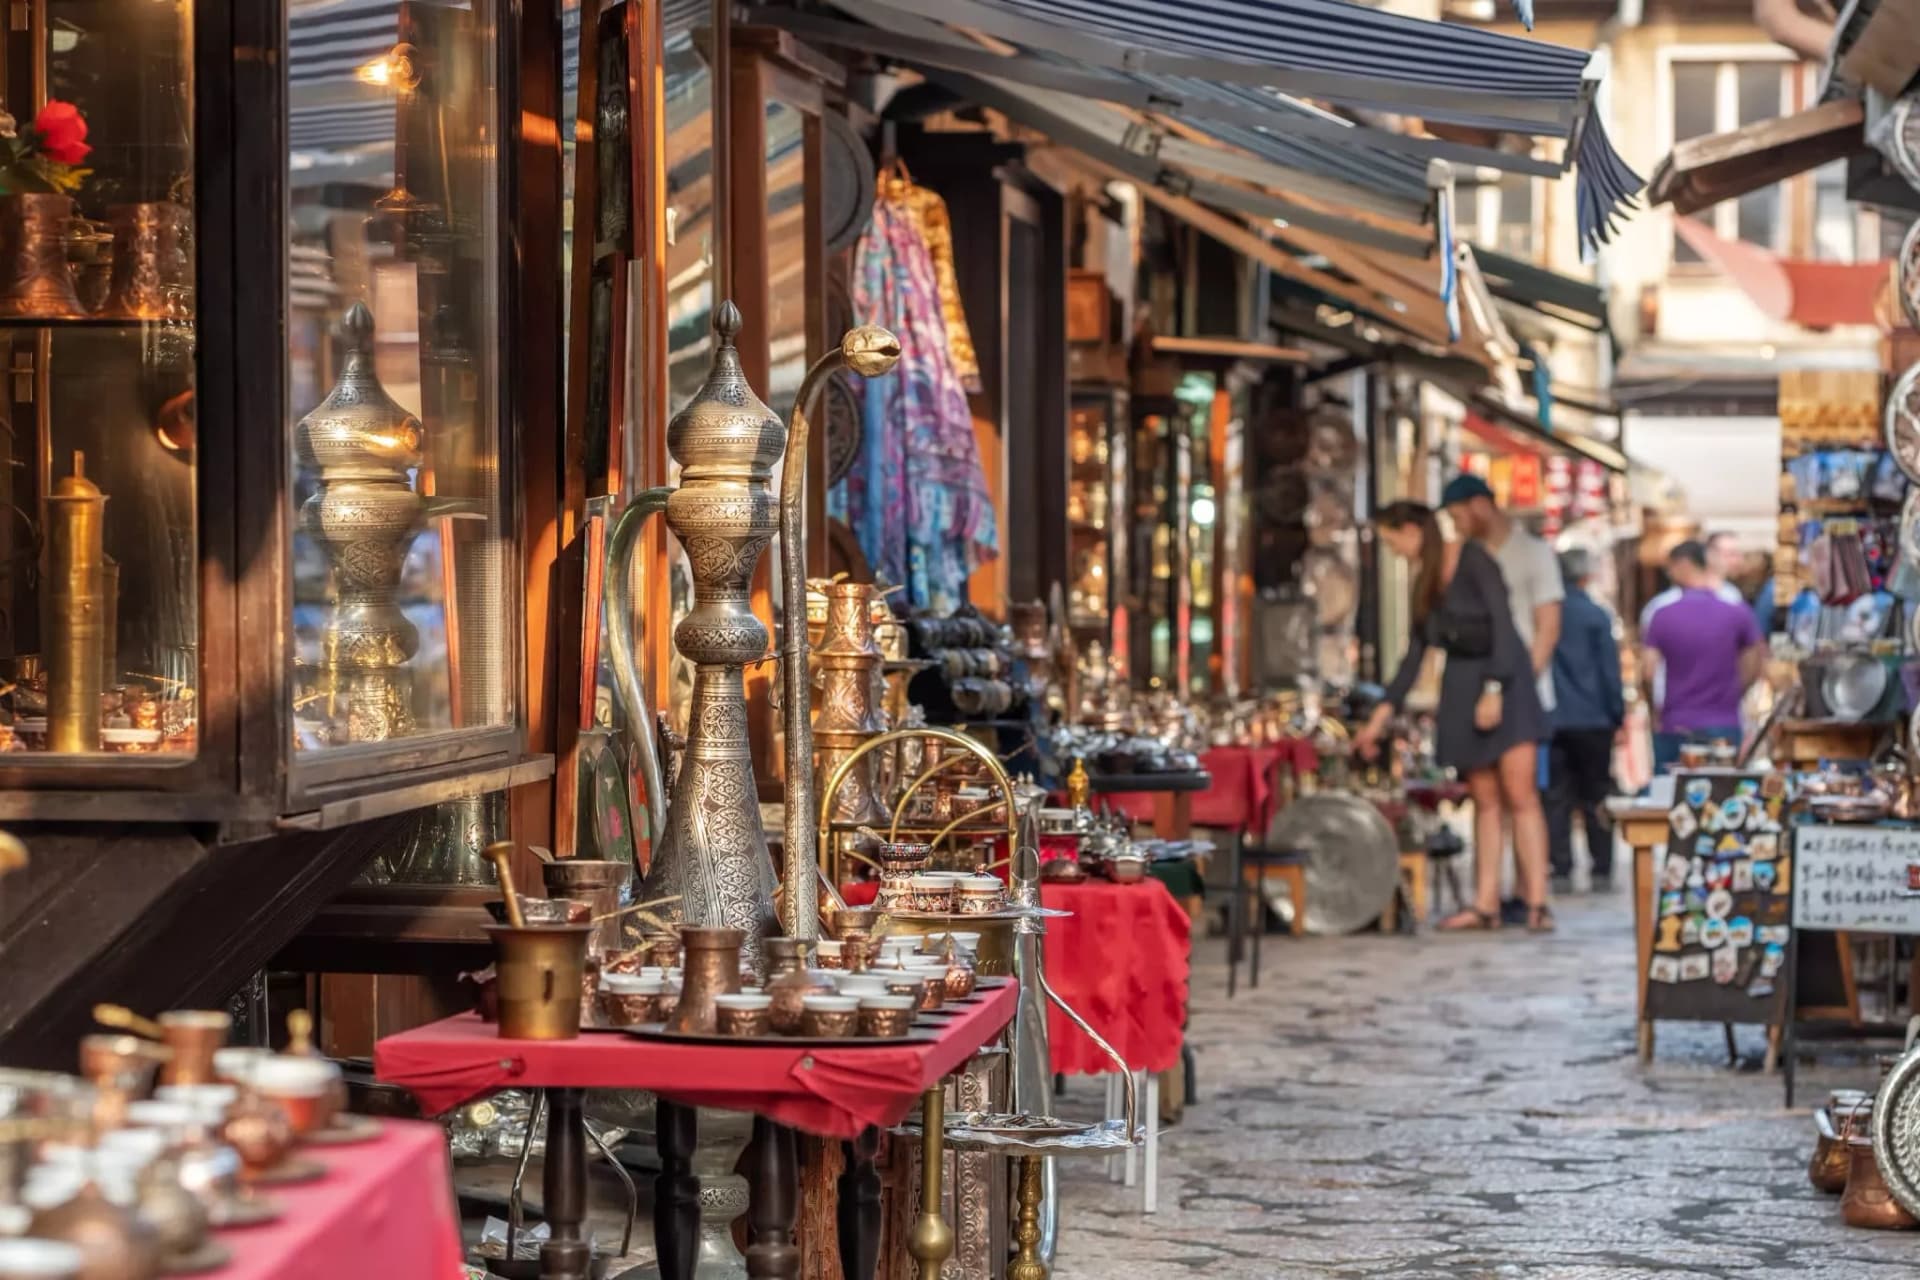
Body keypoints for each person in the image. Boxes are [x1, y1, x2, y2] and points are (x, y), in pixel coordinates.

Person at [1354, 501, 1553, 932]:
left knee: (1520, 795)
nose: (1396, 551)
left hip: (1505, 677)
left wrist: (1496, 689)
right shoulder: (1424, 581)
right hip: (1462, 684)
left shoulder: (1473, 557)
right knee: (1484, 798)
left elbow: (1503, 623)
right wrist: (1380, 717)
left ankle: (1536, 902)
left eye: (1394, 541)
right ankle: (1485, 905)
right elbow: (1414, 655)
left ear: (1412, 529)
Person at [1441, 474, 1563, 719]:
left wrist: (1514, 686)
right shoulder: (1464, 557)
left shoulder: (1533, 552)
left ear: (1480, 506)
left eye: (1457, 517)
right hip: (1476, 695)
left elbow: (1548, 628)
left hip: (1524, 697)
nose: (1456, 526)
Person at [1642, 540, 1767, 773]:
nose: (1668, 573)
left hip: (1675, 721)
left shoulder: (1661, 614)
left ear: (1684, 565)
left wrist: (1654, 711)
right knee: (1721, 797)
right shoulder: (1736, 612)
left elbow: (1648, 671)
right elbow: (1755, 660)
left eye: (1671, 566)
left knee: (1671, 796)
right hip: (1724, 721)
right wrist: (1735, 692)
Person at [1546, 549, 1624, 894]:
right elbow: (1610, 671)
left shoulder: (1549, 613)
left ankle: (1561, 864)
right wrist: (1617, 712)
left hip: (1555, 716)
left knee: (1557, 795)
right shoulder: (1595, 615)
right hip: (1594, 719)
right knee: (1595, 794)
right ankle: (1601, 863)